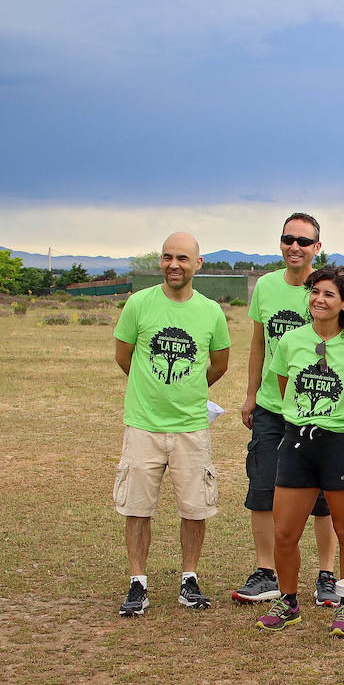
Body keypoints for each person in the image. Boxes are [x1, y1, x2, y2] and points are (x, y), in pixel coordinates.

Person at [112, 232, 230, 616]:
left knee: (195, 508)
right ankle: (137, 582)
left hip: (191, 427)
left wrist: (190, 389)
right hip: (144, 425)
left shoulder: (210, 311)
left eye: (182, 258)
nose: (173, 264)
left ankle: (189, 579)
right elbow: (124, 355)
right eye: (166, 257)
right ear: (160, 262)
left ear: (198, 264)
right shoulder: (139, 304)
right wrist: (152, 390)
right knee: (137, 507)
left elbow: (220, 362)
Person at [255, 267, 344, 637]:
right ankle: (288, 602)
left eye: (329, 295)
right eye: (315, 293)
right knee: (285, 532)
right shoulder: (291, 342)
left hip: (340, 446)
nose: (319, 300)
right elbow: (285, 387)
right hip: (296, 445)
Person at [232, 213, 339, 608]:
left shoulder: (324, 289)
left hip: (315, 410)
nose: (295, 246)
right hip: (270, 408)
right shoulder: (266, 286)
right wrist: (250, 396)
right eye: (288, 239)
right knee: (262, 488)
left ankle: (326, 574)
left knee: (324, 495)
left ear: (317, 246)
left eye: (304, 241)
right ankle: (267, 572)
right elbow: (259, 344)